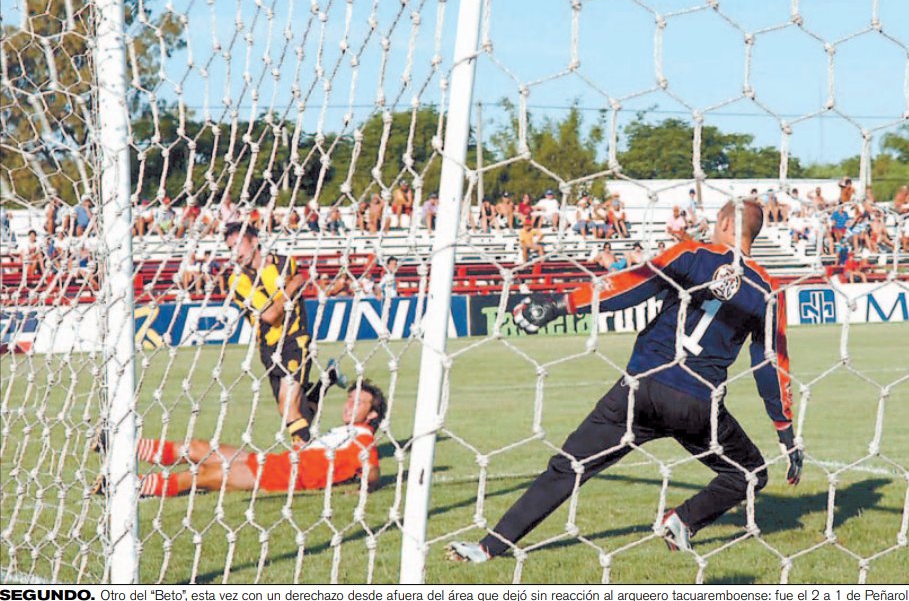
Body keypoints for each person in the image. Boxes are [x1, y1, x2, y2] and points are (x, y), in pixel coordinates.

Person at [447, 199, 802, 563]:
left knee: (570, 466)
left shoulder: (693, 253)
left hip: (642, 388)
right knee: (750, 474)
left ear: (726, 222)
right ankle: (682, 521)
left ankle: (489, 547)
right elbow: (770, 364)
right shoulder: (768, 289)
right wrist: (785, 431)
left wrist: (561, 305)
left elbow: (630, 287)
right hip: (698, 406)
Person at [93, 382, 385, 498]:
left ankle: (126, 487)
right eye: (349, 399)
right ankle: (119, 446)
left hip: (277, 477)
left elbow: (371, 470)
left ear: (371, 415)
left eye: (358, 402)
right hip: (270, 462)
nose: (349, 406)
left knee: (202, 475)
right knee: (198, 448)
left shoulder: (364, 440)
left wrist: (365, 487)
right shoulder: (344, 433)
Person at [224, 222, 343, 445]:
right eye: (230, 248)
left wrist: (293, 283)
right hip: (269, 348)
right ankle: (327, 380)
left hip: (295, 340)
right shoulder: (237, 280)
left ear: (255, 241)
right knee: (295, 410)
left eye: (238, 245)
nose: (235, 253)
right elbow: (270, 315)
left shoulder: (286, 263)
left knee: (287, 406)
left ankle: (307, 461)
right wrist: (293, 285)